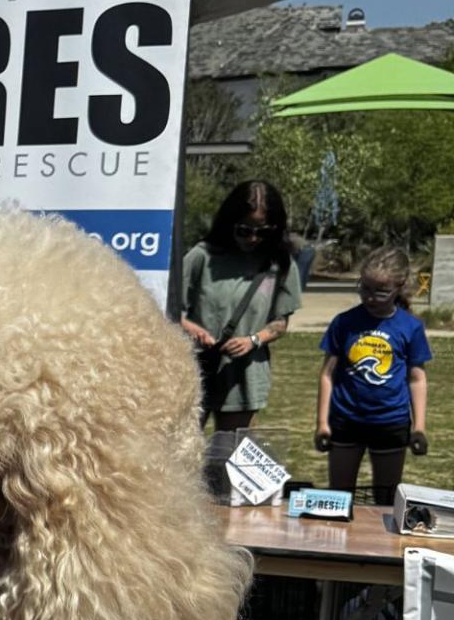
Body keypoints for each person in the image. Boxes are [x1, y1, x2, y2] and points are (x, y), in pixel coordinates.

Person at [180, 179, 302, 429]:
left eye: (263, 231)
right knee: (181, 447)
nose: (253, 238)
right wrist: (193, 330)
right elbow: (170, 310)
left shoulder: (280, 264)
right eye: (244, 230)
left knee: (234, 449)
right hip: (194, 369)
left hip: (243, 375)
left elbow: (280, 323)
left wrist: (253, 340)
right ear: (229, 223)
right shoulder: (202, 256)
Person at [316, 243, 431, 505]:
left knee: (386, 501)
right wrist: (322, 422)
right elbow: (327, 375)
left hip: (391, 422)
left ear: (399, 287)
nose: (370, 298)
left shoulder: (410, 327)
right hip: (346, 420)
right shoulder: (344, 323)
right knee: (338, 499)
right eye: (365, 288)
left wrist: (419, 427)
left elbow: (417, 379)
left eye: (380, 292)